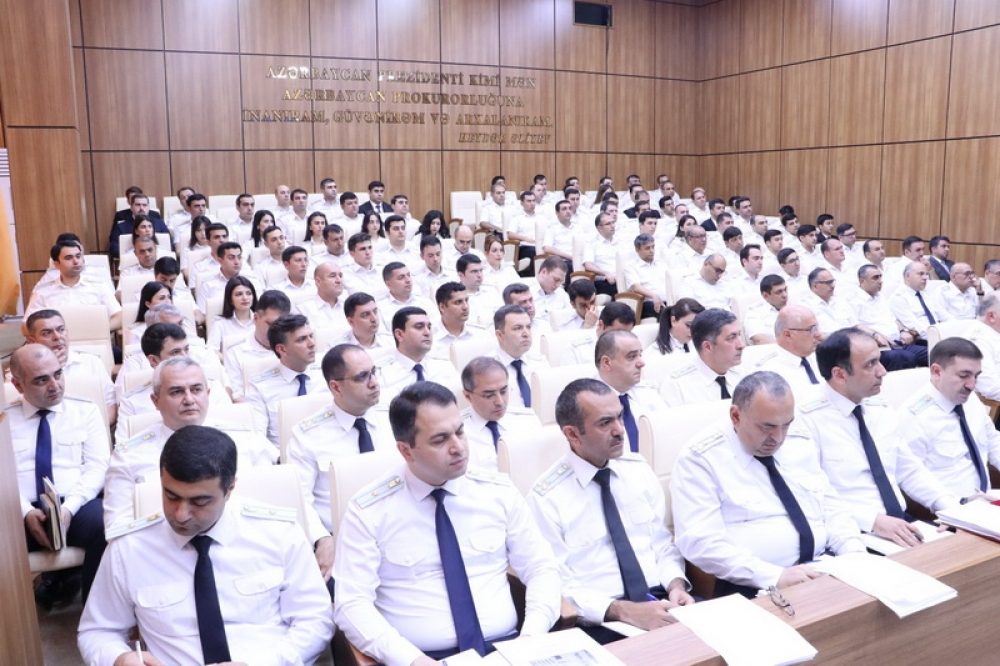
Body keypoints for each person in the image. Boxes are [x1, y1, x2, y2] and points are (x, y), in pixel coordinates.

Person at [333, 381, 561, 664]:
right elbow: (351, 604)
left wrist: (531, 638)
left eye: (460, 432)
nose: (458, 447)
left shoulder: (497, 491)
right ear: (406, 450)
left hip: (509, 649)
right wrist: (411, 660)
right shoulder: (370, 510)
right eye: (440, 440)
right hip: (424, 657)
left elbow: (541, 567)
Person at [79, 425, 333, 665]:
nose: (181, 514)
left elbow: (315, 619)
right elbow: (98, 631)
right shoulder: (130, 548)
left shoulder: (278, 533)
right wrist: (119, 658)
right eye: (171, 496)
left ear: (229, 489)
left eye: (199, 502)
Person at [673, 371, 864, 598]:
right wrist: (774, 576)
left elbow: (830, 506)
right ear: (736, 416)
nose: (779, 437)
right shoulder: (701, 458)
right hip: (755, 584)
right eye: (767, 427)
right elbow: (700, 543)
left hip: (823, 566)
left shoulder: (798, 440)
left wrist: (853, 551)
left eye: (786, 425)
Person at [528, 378, 691, 641]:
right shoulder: (546, 498)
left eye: (620, 417)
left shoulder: (637, 469)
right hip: (603, 618)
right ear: (572, 434)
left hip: (660, 600)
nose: (620, 430)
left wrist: (676, 586)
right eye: (605, 423)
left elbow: (662, 545)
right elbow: (558, 584)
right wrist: (626, 612)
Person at [796, 328, 958, 547]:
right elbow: (813, 495)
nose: (882, 371)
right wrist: (873, 521)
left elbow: (909, 470)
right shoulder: (807, 420)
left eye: (879, 361)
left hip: (902, 524)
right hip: (853, 532)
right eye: (870, 365)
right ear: (840, 375)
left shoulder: (878, 406)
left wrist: (949, 508)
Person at [103, 356, 274, 530]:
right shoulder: (129, 455)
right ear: (156, 401)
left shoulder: (246, 439)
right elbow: (118, 525)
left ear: (208, 394)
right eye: (176, 392)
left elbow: (269, 507)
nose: (189, 400)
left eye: (196, 390)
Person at [8, 345, 108, 606]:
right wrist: (25, 512)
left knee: (108, 523)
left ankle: (96, 615)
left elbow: (97, 467)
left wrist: (68, 509)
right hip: (17, 507)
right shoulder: (4, 420)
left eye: (58, 374)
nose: (55, 386)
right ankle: (13, 621)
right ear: (18, 385)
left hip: (76, 503)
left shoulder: (85, 411)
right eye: (41, 380)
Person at [286, 344, 393, 582]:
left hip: (396, 530)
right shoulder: (308, 435)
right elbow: (300, 498)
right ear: (336, 387)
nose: (374, 383)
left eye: (373, 372)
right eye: (362, 377)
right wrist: (322, 539)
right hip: (341, 541)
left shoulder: (393, 417)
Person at [899, 338, 1000, 499]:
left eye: (976, 376)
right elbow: (910, 478)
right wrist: (951, 507)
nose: (972, 385)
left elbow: (994, 442)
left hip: (987, 500)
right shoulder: (913, 418)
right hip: (949, 508)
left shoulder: (970, 400)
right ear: (937, 372)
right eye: (964, 375)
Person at [22, 309, 117, 425]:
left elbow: (111, 405)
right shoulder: (23, 372)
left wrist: (93, 430)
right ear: (32, 341)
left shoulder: (92, 362)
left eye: (61, 330)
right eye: (47, 333)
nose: (57, 337)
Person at [244, 313, 324, 445]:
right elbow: (258, 438)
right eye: (301, 339)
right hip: (284, 453)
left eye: (311, 336)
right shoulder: (259, 386)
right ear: (282, 349)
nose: (312, 343)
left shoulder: (327, 371)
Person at [594, 330, 667, 453]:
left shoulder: (647, 392)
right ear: (607, 362)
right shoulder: (588, 403)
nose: (641, 363)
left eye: (640, 355)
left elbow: (666, 436)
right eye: (631, 357)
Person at [26, 239, 122, 331]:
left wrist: (98, 330)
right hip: (55, 340)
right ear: (56, 264)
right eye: (68, 258)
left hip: (93, 339)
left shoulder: (99, 286)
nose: (76, 261)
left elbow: (120, 317)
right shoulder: (42, 291)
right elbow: (25, 326)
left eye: (78, 256)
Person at [659, 308, 745, 406]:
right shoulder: (677, 387)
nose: (741, 345)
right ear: (707, 347)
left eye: (739, 335)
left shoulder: (744, 377)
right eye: (731, 338)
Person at [379, 307, 459, 405]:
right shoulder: (382, 374)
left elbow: (459, 401)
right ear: (399, 334)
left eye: (429, 327)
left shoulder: (444, 366)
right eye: (419, 327)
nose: (427, 333)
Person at [223, 289, 292, 401]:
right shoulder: (235, 353)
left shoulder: (294, 347)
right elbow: (238, 396)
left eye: (283, 324)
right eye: (271, 324)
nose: (278, 330)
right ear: (256, 318)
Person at [751, 305, 824, 391]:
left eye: (817, 328)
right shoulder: (769, 372)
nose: (818, 334)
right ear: (788, 335)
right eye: (810, 329)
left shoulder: (818, 357)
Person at [492, 304, 548, 410]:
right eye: (517, 328)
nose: (526, 334)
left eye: (528, 327)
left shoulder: (540, 362)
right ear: (500, 335)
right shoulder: (486, 369)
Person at [296, 261, 348, 342]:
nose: (339, 280)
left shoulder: (350, 307)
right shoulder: (302, 310)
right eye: (332, 276)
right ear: (318, 281)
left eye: (340, 276)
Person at [206, 276, 257, 354]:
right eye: (239, 294)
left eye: (248, 293)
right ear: (230, 300)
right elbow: (211, 350)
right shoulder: (220, 324)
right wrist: (226, 360)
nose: (245, 298)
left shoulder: (261, 321)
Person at [743, 275, 788, 345]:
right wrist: (789, 347)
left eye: (785, 290)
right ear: (765, 296)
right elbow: (760, 340)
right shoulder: (754, 313)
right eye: (779, 292)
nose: (785, 295)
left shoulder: (793, 307)